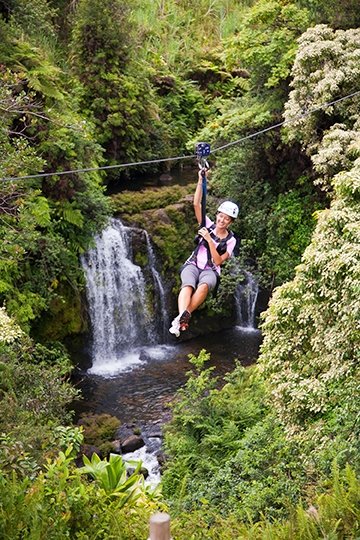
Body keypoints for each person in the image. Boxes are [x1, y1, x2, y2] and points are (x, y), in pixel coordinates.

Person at [169, 169, 238, 337]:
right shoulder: (206, 223)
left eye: (226, 219)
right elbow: (196, 204)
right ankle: (181, 317)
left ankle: (184, 316)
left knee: (204, 286)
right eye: (220, 216)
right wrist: (201, 180)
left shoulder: (230, 240)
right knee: (188, 284)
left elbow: (218, 261)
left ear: (230, 222)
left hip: (210, 270)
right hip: (193, 263)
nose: (222, 220)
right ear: (217, 215)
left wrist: (209, 239)